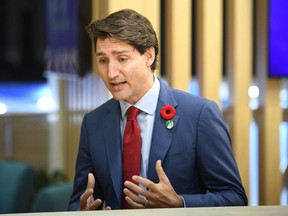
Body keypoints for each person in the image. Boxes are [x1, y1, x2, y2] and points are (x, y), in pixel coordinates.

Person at [68, 8, 248, 211]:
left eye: (122, 59)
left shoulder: (199, 114)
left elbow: (234, 197)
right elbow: (78, 201)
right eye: (103, 61)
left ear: (149, 56)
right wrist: (82, 212)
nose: (111, 73)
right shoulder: (94, 122)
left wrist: (180, 203)